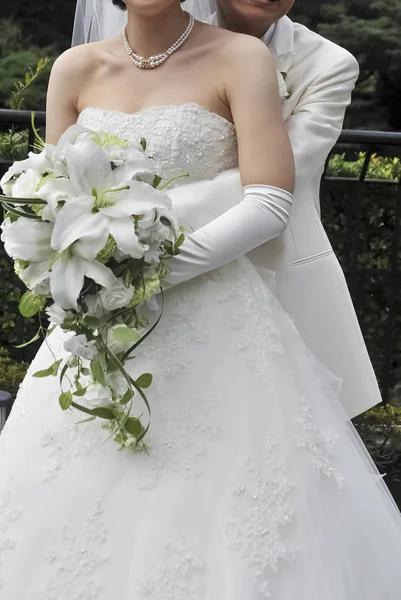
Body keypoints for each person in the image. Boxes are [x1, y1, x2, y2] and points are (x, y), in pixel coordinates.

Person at [0, 0, 401, 597]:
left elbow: (270, 200)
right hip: (98, 327)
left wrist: (141, 275)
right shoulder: (73, 67)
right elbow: (54, 201)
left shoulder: (243, 57)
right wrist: (69, 264)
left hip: (215, 312)